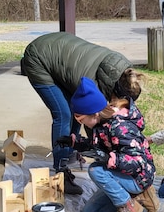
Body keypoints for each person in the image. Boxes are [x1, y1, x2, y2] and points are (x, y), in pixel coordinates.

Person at [21, 32, 145, 195]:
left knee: (74, 112)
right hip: (39, 57)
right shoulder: (94, 84)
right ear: (116, 93)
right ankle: (61, 173)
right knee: (64, 114)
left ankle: (69, 152)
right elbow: (94, 126)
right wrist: (108, 156)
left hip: (60, 53)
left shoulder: (122, 73)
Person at [59, 77, 157, 212]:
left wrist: (111, 160)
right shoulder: (100, 124)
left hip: (139, 175)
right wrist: (74, 142)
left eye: (79, 118)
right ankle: (140, 195)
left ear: (94, 113)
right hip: (123, 172)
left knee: (96, 170)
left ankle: (129, 209)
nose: (79, 122)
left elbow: (138, 161)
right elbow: (96, 144)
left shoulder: (119, 127)